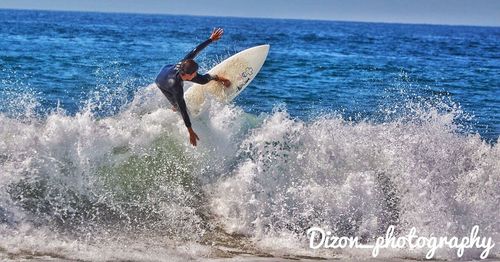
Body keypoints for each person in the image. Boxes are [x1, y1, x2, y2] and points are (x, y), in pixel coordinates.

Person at [155, 28, 231, 147]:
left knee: (203, 80)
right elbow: (184, 109)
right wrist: (190, 131)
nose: (196, 74)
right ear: (186, 75)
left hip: (169, 68)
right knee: (179, 107)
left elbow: (195, 51)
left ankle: (217, 77)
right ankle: (174, 107)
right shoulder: (176, 87)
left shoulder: (185, 64)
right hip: (161, 82)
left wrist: (210, 39)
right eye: (194, 73)